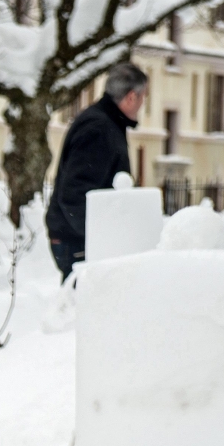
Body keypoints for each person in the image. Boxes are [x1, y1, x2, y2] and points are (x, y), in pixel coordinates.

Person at [46, 62, 147, 281]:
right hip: (78, 241)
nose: (142, 104)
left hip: (77, 238)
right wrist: (98, 236)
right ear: (131, 96)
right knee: (83, 308)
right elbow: (73, 192)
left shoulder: (105, 123)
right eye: (142, 97)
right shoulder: (99, 129)